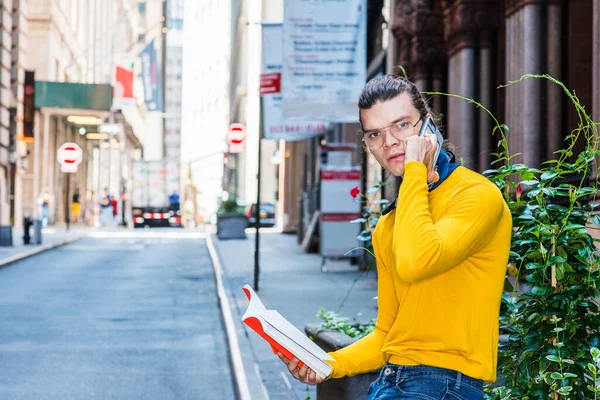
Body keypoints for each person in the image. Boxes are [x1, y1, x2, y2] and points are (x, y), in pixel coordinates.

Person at [278, 75, 513, 399]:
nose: (389, 142)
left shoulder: (475, 195)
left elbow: (418, 260)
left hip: (446, 386)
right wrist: (328, 363)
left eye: (402, 125)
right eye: (375, 134)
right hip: (392, 382)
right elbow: (388, 335)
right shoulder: (391, 223)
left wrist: (416, 170)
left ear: (429, 127)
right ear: (368, 144)